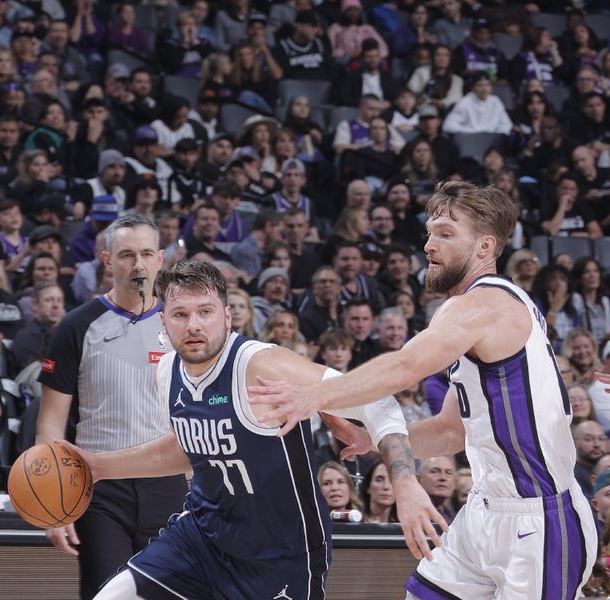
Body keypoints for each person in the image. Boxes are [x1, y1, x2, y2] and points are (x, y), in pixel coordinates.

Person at [249, 180, 598, 598]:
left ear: (485, 247)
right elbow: (452, 429)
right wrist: (371, 438)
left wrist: (314, 396)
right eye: (430, 233)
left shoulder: (485, 306)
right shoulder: (469, 315)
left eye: (446, 235)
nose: (429, 246)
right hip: (485, 510)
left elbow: (406, 365)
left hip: (540, 518)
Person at [62, 259, 440, 599]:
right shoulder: (167, 370)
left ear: (227, 317)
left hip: (281, 556)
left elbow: (378, 403)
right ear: (163, 322)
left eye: (205, 312)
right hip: (202, 538)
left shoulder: (262, 365)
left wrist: (405, 483)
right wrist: (98, 466)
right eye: (180, 314)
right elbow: (189, 448)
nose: (193, 325)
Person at [35, 214, 188, 600]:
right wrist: (55, 505)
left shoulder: (183, 326)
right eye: (126, 255)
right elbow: (50, 425)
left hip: (169, 482)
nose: (138, 264)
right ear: (106, 260)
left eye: (147, 254)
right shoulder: (75, 326)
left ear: (161, 259)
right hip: (99, 487)